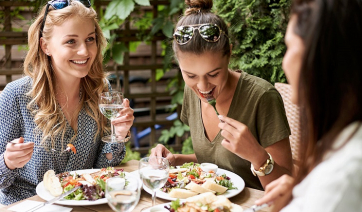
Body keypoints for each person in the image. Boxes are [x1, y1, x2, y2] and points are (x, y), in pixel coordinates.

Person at [0, 0, 134, 205]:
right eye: (71, 41)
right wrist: (8, 162)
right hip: (27, 206)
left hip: (83, 206)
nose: (85, 51)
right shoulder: (16, 96)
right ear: (46, 46)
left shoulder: (100, 91)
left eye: (90, 39)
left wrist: (118, 135)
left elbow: (101, 171)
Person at [151, 0, 294, 190]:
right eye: (190, 75)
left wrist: (257, 156)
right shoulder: (191, 92)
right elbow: (217, 163)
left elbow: (288, 188)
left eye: (213, 74)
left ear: (230, 54)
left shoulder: (262, 96)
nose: (203, 87)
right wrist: (175, 160)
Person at [255, 0, 362, 211]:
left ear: (319, 57)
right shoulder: (340, 142)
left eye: (289, 47)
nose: (284, 61)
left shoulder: (342, 178)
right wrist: (301, 192)